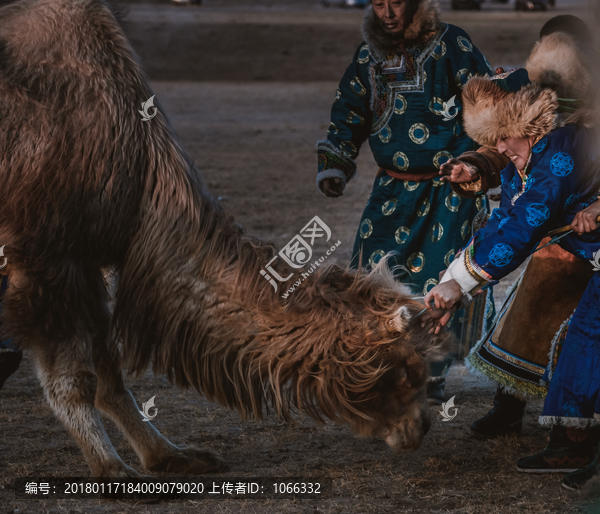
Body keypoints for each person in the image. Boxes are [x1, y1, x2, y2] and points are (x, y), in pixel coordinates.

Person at [424, 68, 600, 491]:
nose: (499, 147)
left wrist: (461, 284)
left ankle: (575, 439)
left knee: (587, 333)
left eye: (505, 135)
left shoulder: (558, 150)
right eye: (494, 138)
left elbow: (527, 222)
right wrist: (453, 284)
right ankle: (573, 438)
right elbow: (502, 221)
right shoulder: (527, 157)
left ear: (528, 124)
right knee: (585, 333)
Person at [317, 0, 496, 402]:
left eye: (396, 2)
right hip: (392, 190)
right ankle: (383, 363)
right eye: (378, 3)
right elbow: (349, 109)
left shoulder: (453, 45)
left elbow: (486, 106)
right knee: (373, 279)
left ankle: (430, 372)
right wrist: (336, 163)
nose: (388, 13)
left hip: (448, 191)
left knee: (439, 281)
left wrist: (473, 165)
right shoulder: (368, 54)